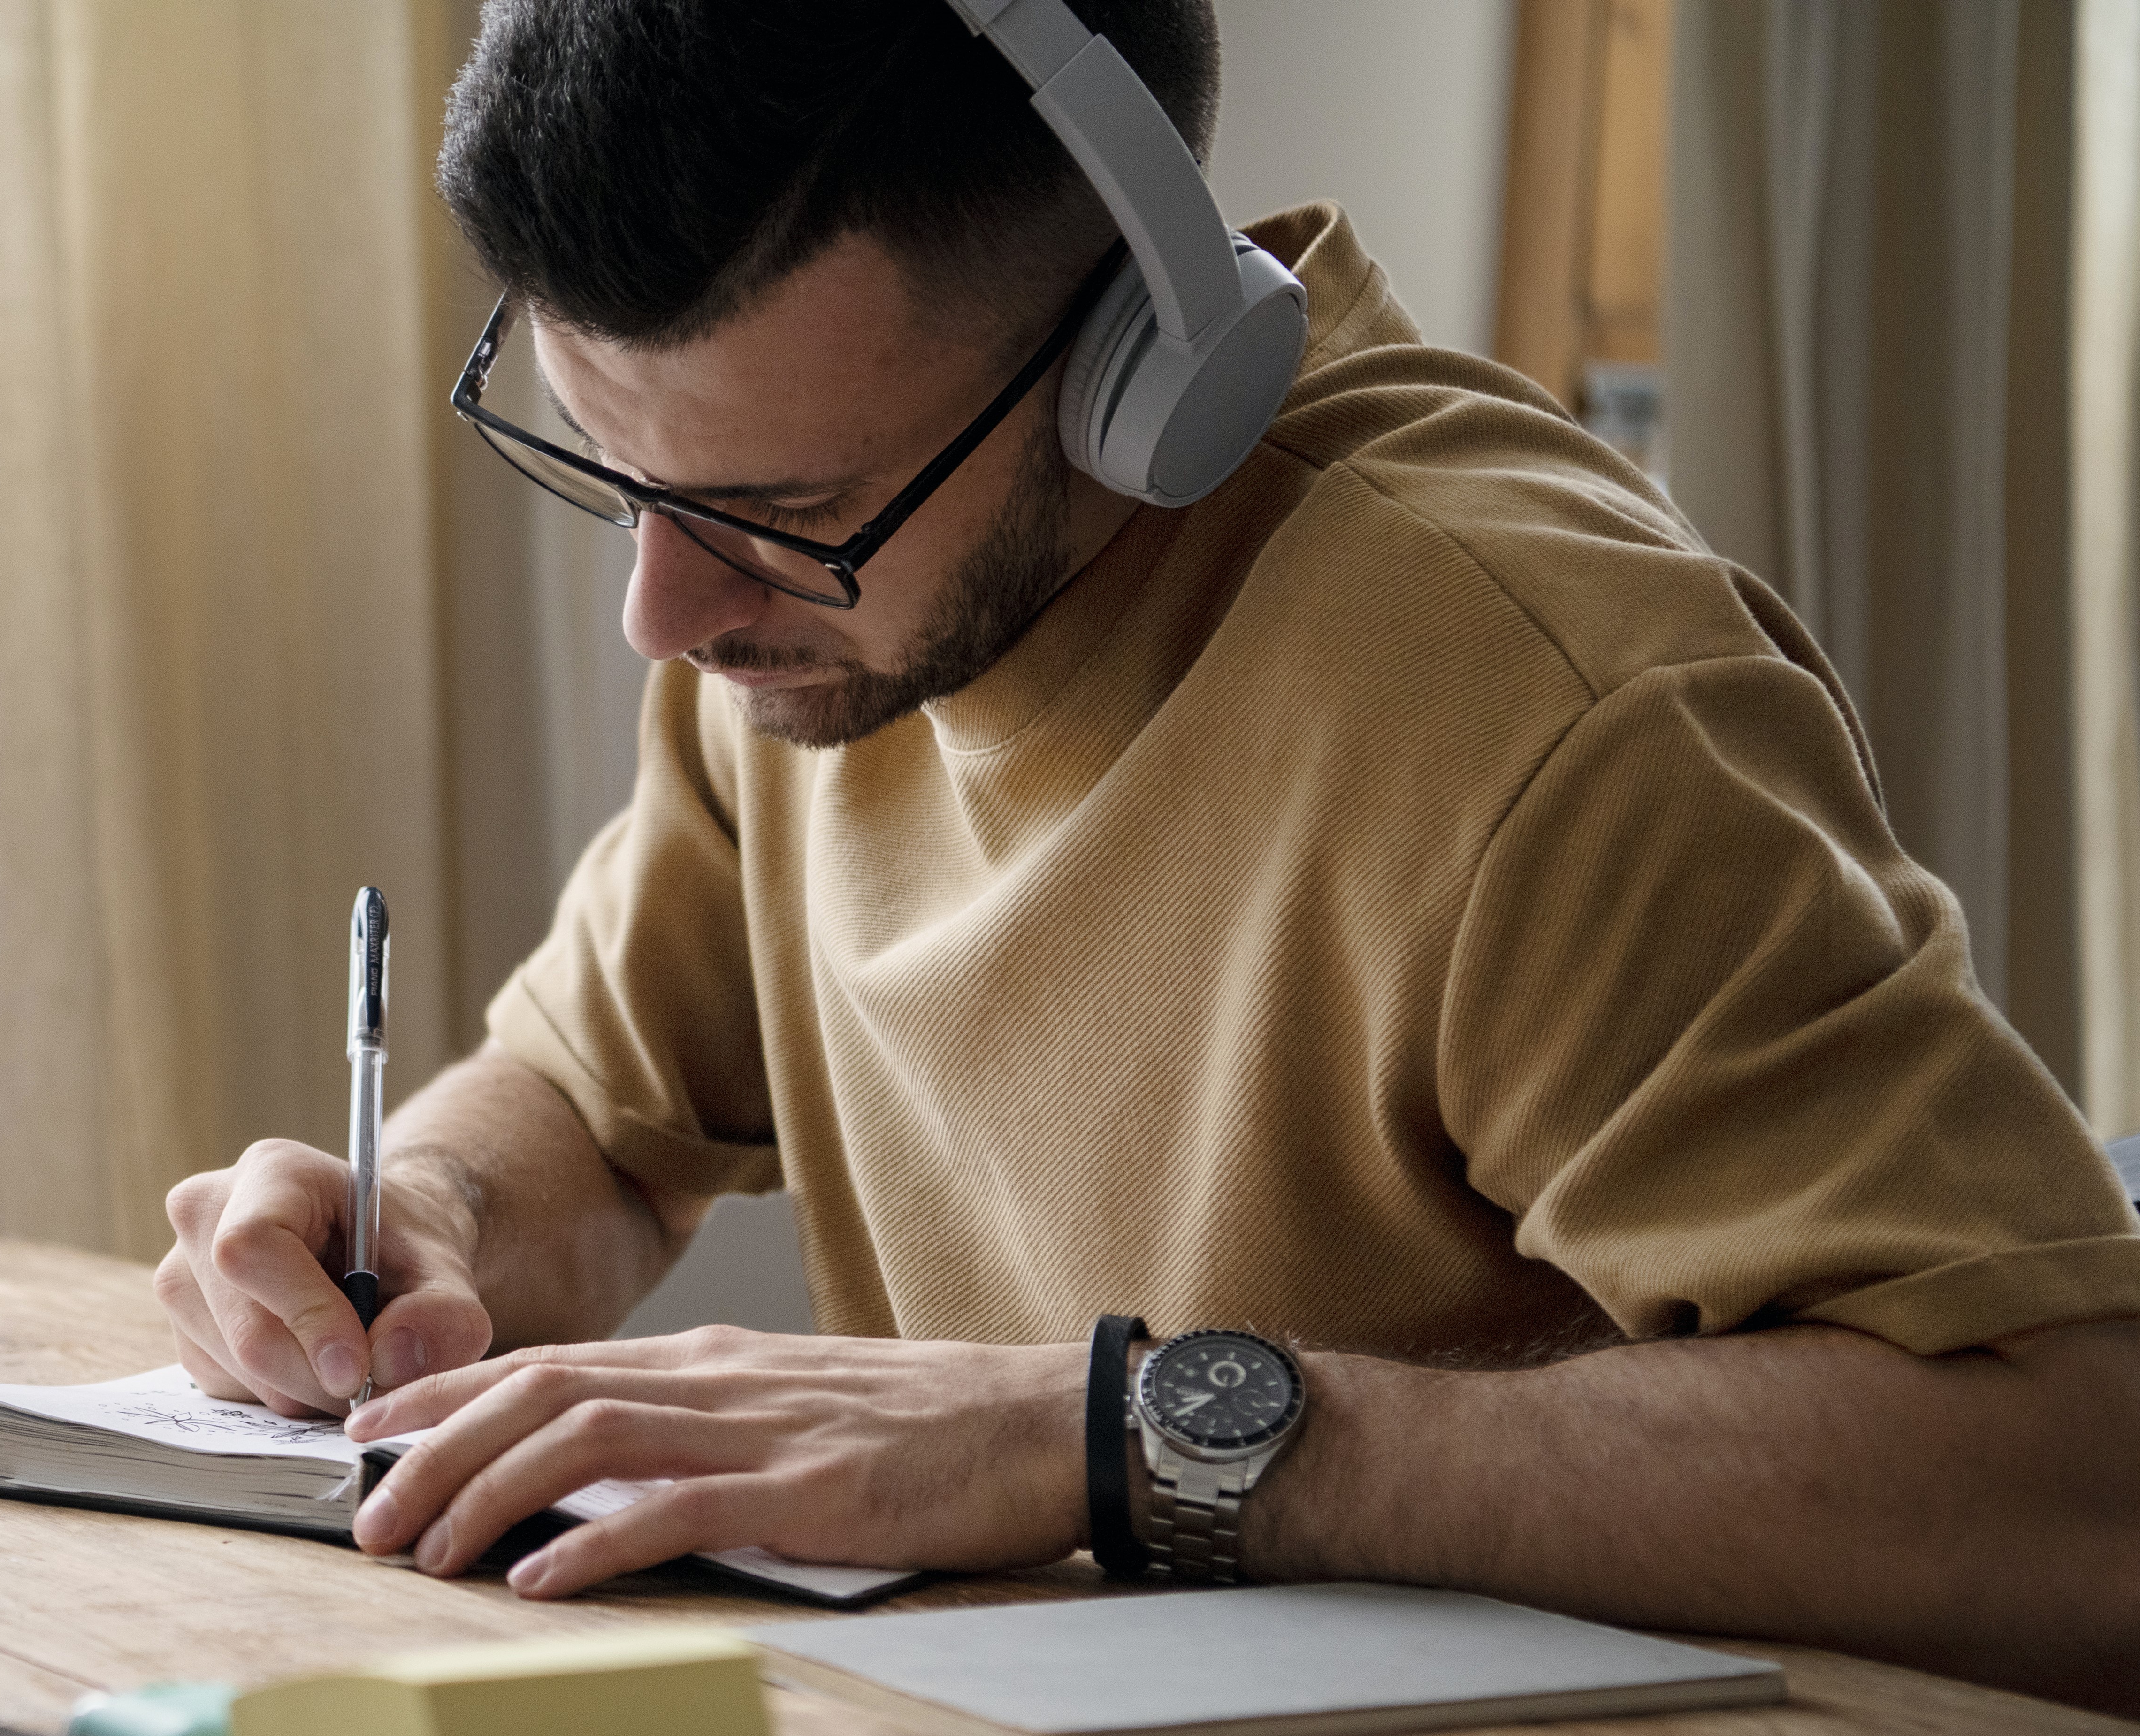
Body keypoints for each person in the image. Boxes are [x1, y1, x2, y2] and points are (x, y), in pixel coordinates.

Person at [151, 0, 2140, 1712]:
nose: (660, 616)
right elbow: (593, 1109)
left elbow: (2081, 1491)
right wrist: (431, 1231)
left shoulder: (1551, 707)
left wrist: (1115, 1435)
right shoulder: (808, 638)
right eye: (614, 473)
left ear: (1140, 376)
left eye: (776, 511)